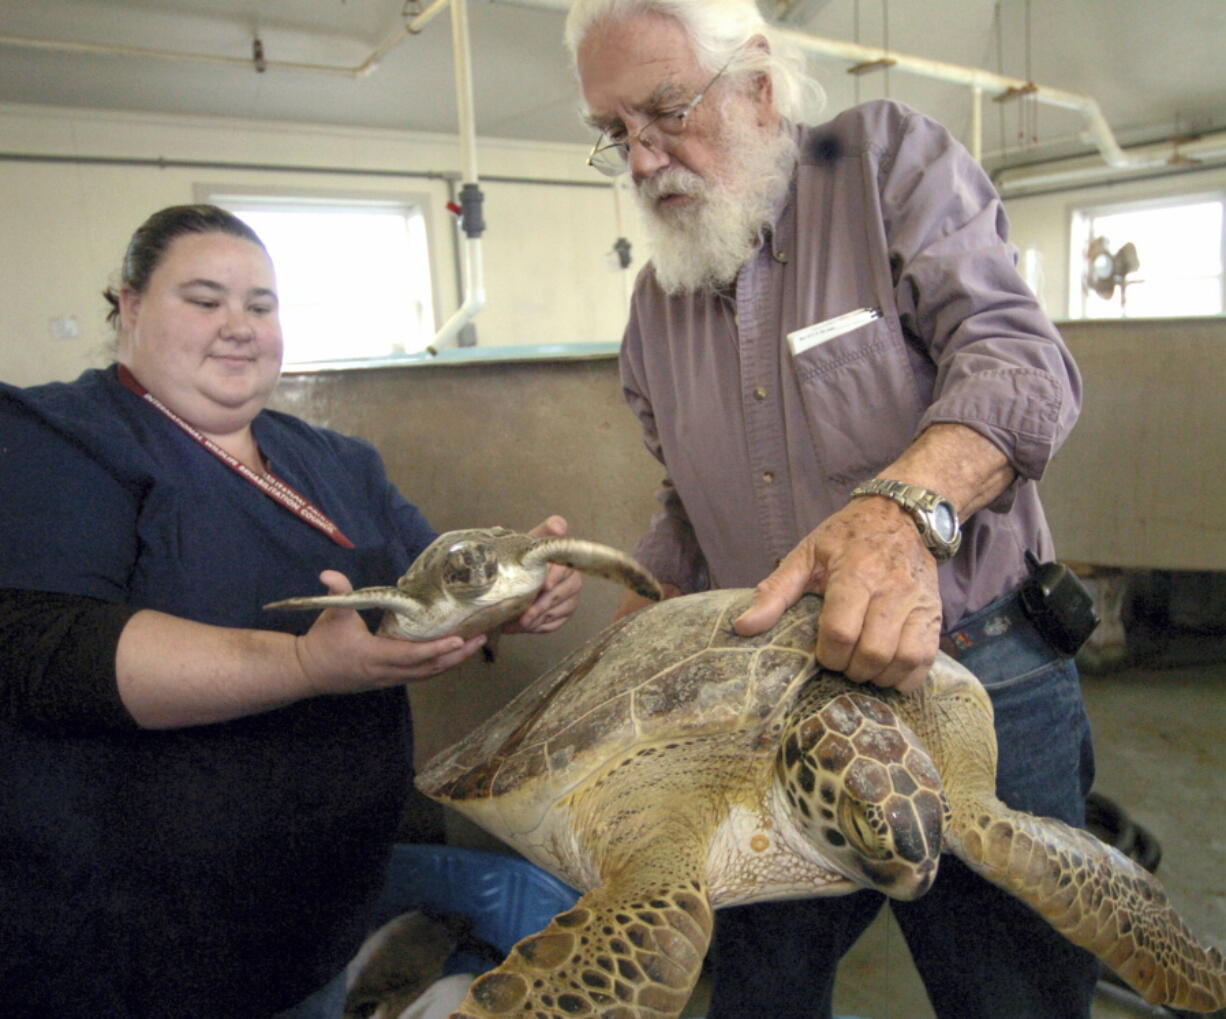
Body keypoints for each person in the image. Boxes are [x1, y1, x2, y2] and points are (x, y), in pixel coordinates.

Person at [564, 2, 1098, 1017]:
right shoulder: (655, 301)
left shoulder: (883, 162)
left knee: (1010, 990)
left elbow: (1017, 362)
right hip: (774, 699)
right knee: (757, 985)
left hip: (977, 672)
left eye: (664, 112)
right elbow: (686, 493)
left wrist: (898, 515)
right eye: (612, 134)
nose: (640, 161)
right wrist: (641, 592)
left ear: (757, 87)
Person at [0, 204, 582, 1017]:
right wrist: (305, 665)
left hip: (318, 906)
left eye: (260, 305)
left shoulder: (336, 459)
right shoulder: (57, 435)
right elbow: (50, 651)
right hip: (134, 932)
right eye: (204, 300)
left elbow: (427, 594)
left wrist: (511, 597)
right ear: (128, 305)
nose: (238, 326)